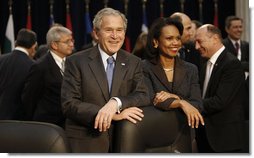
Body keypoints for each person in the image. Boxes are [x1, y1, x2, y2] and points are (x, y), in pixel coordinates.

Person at [61, 7, 149, 152]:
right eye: (109, 30)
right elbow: (69, 104)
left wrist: (116, 102)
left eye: (119, 30)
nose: (115, 36)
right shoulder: (76, 61)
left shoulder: (134, 62)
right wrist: (111, 115)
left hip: (124, 141)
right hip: (87, 142)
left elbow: (143, 94)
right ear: (96, 33)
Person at [142, 17, 204, 152]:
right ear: (155, 42)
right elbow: (151, 99)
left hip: (185, 137)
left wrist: (175, 98)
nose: (175, 43)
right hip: (154, 137)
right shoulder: (143, 67)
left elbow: (198, 105)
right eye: (169, 38)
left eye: (178, 38)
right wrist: (181, 103)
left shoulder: (191, 69)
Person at [195, 24, 245, 152]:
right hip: (205, 135)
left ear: (215, 39)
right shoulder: (205, 62)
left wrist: (189, 104)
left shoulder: (231, 64)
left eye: (200, 41)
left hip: (225, 140)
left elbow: (219, 101)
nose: (196, 46)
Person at [22, 26, 74, 128]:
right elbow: (29, 97)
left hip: (68, 123)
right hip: (47, 125)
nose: (72, 44)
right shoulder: (40, 66)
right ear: (54, 45)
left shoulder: (72, 62)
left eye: (72, 40)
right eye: (67, 41)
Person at [0, 28, 37, 120]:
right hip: (19, 120)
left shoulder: (1, 59)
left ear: (16, 42)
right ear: (34, 46)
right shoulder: (33, 66)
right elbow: (30, 96)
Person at [222, 16, 249, 121]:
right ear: (227, 29)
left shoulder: (247, 45)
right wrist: (244, 65)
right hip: (229, 90)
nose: (239, 30)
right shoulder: (222, 45)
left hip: (245, 90)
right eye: (235, 27)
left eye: (240, 27)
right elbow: (227, 65)